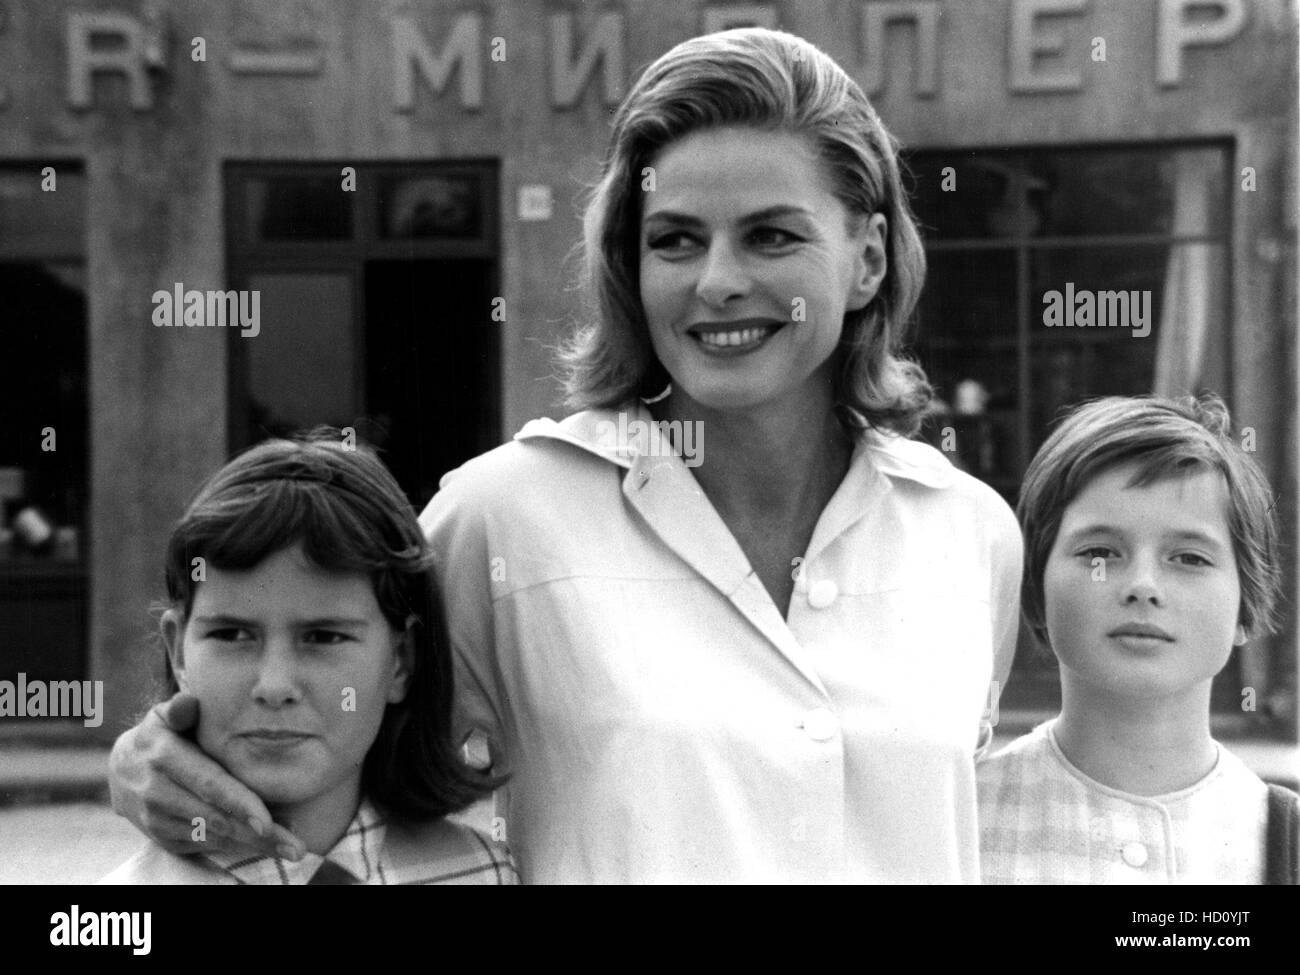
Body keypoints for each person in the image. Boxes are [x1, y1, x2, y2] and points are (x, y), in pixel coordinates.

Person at [108, 27, 1022, 883]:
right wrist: (158, 756)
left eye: (772, 235)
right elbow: (324, 717)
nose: (717, 280)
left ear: (866, 260)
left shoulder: (971, 532)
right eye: (675, 240)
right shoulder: (505, 514)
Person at [102, 432, 516, 884]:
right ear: (177, 651)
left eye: (323, 637)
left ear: (401, 659)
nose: (275, 686)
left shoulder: (485, 874)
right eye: (232, 634)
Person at [978, 395, 1299, 884]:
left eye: (1190, 558)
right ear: (1037, 590)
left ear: (1245, 605)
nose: (1142, 585)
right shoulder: (960, 820)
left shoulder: (1283, 843)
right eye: (1100, 552)